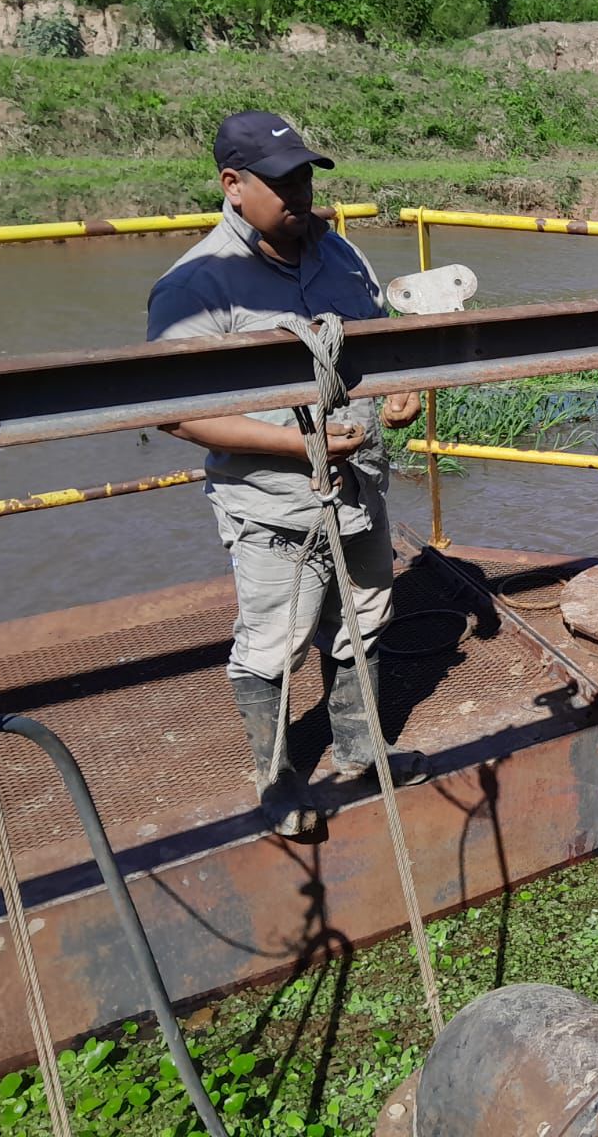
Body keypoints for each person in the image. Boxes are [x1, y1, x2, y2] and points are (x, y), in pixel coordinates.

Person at [146, 110, 425, 839]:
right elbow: (175, 414)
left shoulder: (340, 257)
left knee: (365, 615)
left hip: (358, 483)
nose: (299, 194)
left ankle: (361, 748)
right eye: (281, 183)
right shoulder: (196, 287)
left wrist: (399, 389)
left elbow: (379, 339)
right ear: (233, 186)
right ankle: (275, 779)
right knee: (275, 639)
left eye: (304, 176)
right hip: (274, 503)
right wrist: (294, 448)